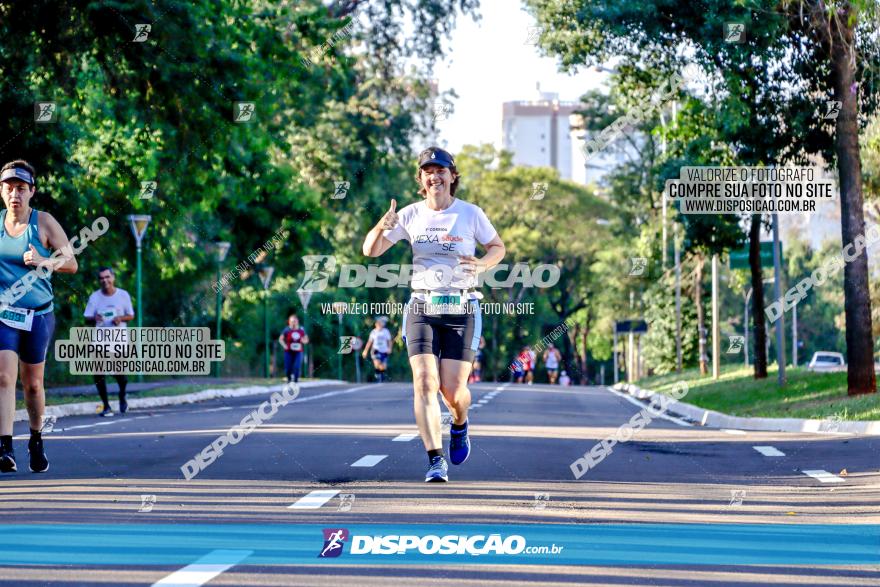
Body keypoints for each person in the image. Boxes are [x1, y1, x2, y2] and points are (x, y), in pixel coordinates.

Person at [362, 146, 505, 482]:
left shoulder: (470, 214)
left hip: (462, 307)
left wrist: (482, 264)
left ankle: (460, 423)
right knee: (425, 382)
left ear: (452, 176)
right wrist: (381, 226)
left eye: (441, 170)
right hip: (421, 307)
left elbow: (498, 247)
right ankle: (434, 459)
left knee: (453, 393)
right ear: (421, 179)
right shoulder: (410, 215)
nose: (434, 176)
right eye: (428, 171)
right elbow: (371, 250)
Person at [0, 160, 78, 473]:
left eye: (21, 188)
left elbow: (71, 263)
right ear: (2, 191)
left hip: (38, 315)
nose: (14, 193)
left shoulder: (43, 222)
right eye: (9, 187)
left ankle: (36, 439)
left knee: (32, 385)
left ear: (32, 191)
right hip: (4, 314)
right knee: (4, 377)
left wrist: (44, 261)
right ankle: (5, 447)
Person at [84, 267, 135, 416]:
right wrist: (95, 318)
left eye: (107, 277)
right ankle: (106, 405)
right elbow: (87, 317)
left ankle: (122, 394)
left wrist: (120, 318)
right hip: (100, 340)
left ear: (113, 278)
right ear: (99, 280)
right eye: (101, 278)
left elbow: (130, 315)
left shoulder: (123, 295)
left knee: (120, 375)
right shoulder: (95, 297)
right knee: (98, 373)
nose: (105, 280)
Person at [278, 314, 308, 383]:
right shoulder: (287, 329)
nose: (293, 323)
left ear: (297, 321)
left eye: (294, 321)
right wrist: (284, 346)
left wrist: (303, 341)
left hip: (298, 351)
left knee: (297, 366)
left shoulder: (301, 329)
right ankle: (289, 379)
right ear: (289, 322)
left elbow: (306, 340)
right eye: (291, 321)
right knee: (288, 367)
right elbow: (280, 339)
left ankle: (295, 381)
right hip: (288, 351)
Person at [362, 318, 392, 382]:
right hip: (376, 350)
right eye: (378, 323)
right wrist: (365, 350)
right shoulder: (373, 332)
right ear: (376, 324)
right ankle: (378, 376)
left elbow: (389, 341)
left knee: (383, 366)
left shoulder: (386, 331)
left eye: (380, 323)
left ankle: (381, 375)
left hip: (384, 350)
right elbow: (369, 342)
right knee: (377, 363)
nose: (379, 325)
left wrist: (390, 348)